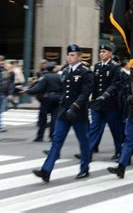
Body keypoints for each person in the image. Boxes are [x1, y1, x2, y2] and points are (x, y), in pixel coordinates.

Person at [32, 44, 93, 182]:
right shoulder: (65, 71)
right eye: (69, 55)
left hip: (78, 113)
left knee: (83, 141)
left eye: (73, 55)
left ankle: (84, 169)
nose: (70, 57)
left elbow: (85, 93)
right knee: (56, 140)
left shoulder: (85, 72)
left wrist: (75, 106)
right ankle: (46, 170)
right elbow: (62, 90)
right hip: (63, 111)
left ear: (79, 57)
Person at [80, 44, 123, 161]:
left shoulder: (115, 67)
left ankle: (119, 151)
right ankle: (87, 152)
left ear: (110, 53)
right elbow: (94, 84)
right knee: (94, 127)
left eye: (104, 51)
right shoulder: (97, 66)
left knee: (115, 130)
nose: (101, 53)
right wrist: (90, 98)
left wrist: (106, 94)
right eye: (100, 51)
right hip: (97, 103)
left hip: (110, 104)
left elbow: (115, 84)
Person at [25, 61, 61, 142]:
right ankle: (52, 136)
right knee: (54, 118)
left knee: (43, 117)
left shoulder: (45, 77)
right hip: (58, 98)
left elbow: (38, 88)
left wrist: (29, 91)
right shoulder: (59, 77)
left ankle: (40, 136)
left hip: (47, 98)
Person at [0, 55, 14, 134]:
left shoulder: (4, 70)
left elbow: (9, 82)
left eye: (3, 60)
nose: (1, 62)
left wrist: (9, 93)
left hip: (3, 94)